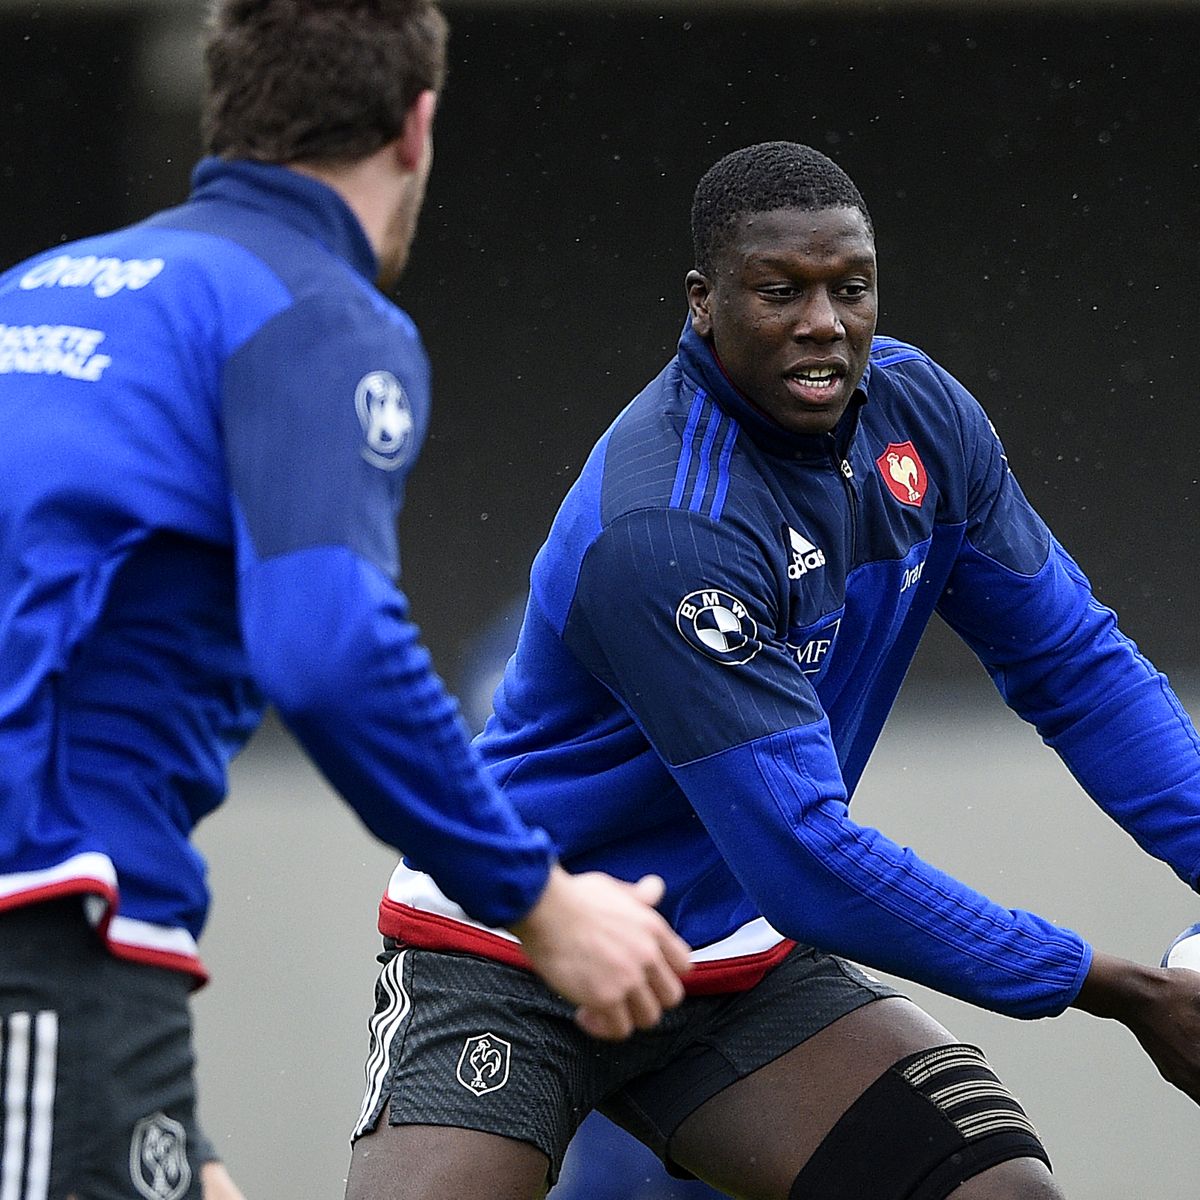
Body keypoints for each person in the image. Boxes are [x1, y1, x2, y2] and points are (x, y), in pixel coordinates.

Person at [345, 141, 1200, 1200]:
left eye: (851, 288)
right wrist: (1121, 989)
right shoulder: (667, 524)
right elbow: (804, 853)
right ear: (702, 303)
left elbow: (1076, 664)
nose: (824, 323)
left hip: (735, 960)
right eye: (779, 290)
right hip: (520, 949)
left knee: (998, 1194)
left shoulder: (922, 420)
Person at [0, 2, 692, 1197]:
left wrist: (164, 1126)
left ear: (231, 104)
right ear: (416, 126)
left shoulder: (34, 292)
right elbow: (327, 648)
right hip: (49, 925)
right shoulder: (313, 311)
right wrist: (538, 902)